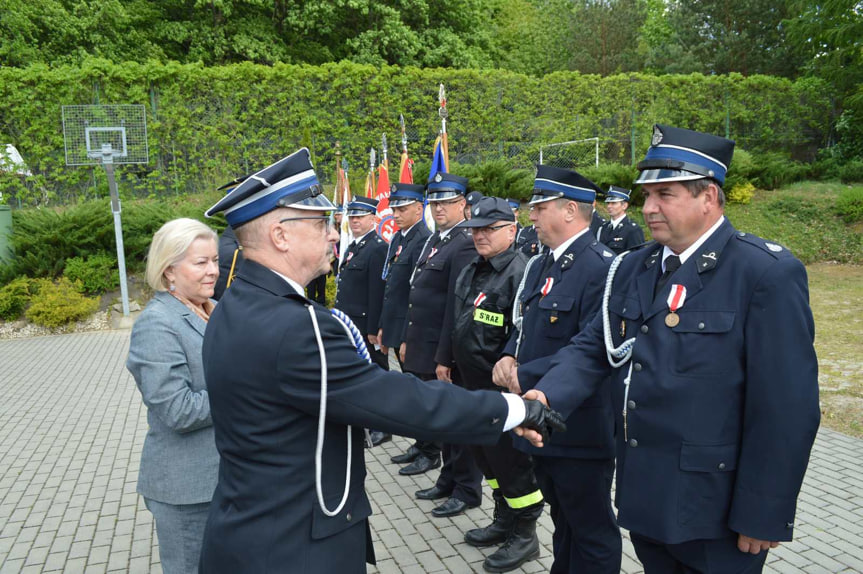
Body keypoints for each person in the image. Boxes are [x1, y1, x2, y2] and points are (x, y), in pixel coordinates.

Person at [198, 148, 564, 574]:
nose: (335, 234)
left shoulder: (234, 303)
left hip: (256, 531)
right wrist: (515, 408)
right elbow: (396, 400)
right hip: (293, 545)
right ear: (280, 236)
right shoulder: (297, 327)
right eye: (321, 223)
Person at [516, 125, 821, 574]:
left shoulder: (762, 273)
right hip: (646, 494)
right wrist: (545, 394)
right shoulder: (632, 266)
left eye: (666, 194)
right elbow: (594, 348)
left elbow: (786, 407)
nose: (649, 207)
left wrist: (764, 511)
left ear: (709, 198)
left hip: (717, 508)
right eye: (646, 194)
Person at [495, 166, 622, 574]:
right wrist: (510, 355)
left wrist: (525, 376)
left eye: (540, 207)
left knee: (592, 531)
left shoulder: (603, 267)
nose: (531, 216)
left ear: (570, 210)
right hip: (543, 422)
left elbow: (594, 346)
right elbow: (525, 323)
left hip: (579, 427)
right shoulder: (544, 264)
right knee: (564, 522)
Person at [449, 196, 545, 572]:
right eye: (475, 229)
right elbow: (456, 318)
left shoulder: (520, 271)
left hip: (502, 392)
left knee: (512, 461)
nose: (479, 236)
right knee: (485, 457)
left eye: (489, 229)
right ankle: (504, 518)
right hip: (470, 384)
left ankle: (526, 535)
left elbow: (523, 333)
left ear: (511, 229)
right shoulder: (474, 268)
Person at [126, 218, 221, 574]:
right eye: (200, 263)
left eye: (214, 260)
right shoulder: (157, 323)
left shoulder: (210, 309)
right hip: (187, 490)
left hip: (221, 479)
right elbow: (178, 411)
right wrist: (245, 391)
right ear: (169, 271)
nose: (212, 271)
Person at [398, 173, 483, 521]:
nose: (439, 208)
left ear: (463, 204)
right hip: (426, 342)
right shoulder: (438, 239)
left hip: (443, 349)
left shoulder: (463, 243)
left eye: (446, 202)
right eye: (435, 202)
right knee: (443, 423)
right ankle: (448, 479)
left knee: (456, 424)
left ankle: (466, 489)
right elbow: (415, 294)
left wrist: (444, 355)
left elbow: (455, 303)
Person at [377, 182, 431, 374]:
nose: (395, 215)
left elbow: (415, 292)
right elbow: (390, 287)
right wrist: (383, 325)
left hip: (408, 329)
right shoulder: (398, 238)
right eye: (394, 209)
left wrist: (407, 337)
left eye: (402, 209)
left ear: (419, 209)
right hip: (394, 324)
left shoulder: (423, 240)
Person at [334, 196, 388, 371]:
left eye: (361, 216)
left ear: (373, 218)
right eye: (352, 216)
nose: (355, 220)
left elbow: (377, 292)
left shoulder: (378, 248)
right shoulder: (354, 247)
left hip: (365, 327)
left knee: (374, 369)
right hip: (350, 323)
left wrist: (373, 329)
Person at [596, 185, 645, 254]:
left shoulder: (633, 230)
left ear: (624, 206)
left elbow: (637, 256)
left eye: (613, 203)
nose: (609, 206)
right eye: (608, 203)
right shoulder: (603, 227)